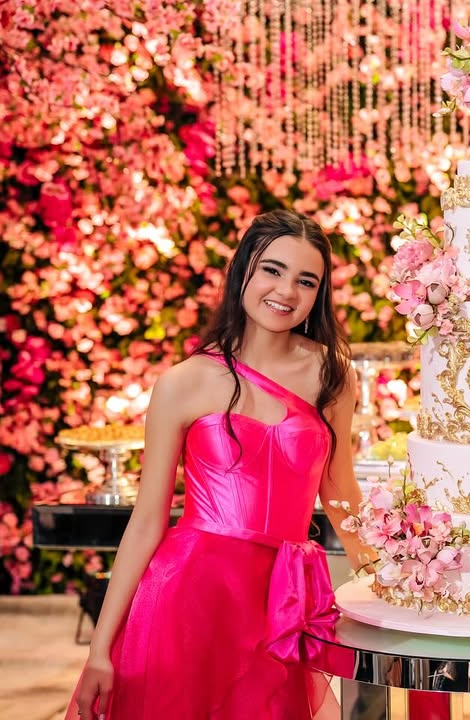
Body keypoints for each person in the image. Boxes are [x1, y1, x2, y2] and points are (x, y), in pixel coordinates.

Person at [68, 209, 374, 719]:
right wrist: (100, 649)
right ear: (242, 271)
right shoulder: (183, 382)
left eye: (306, 281)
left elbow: (341, 492)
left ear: (319, 293)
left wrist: (385, 579)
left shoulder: (331, 375)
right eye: (272, 270)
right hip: (187, 598)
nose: (286, 291)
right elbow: (147, 522)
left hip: (280, 603)